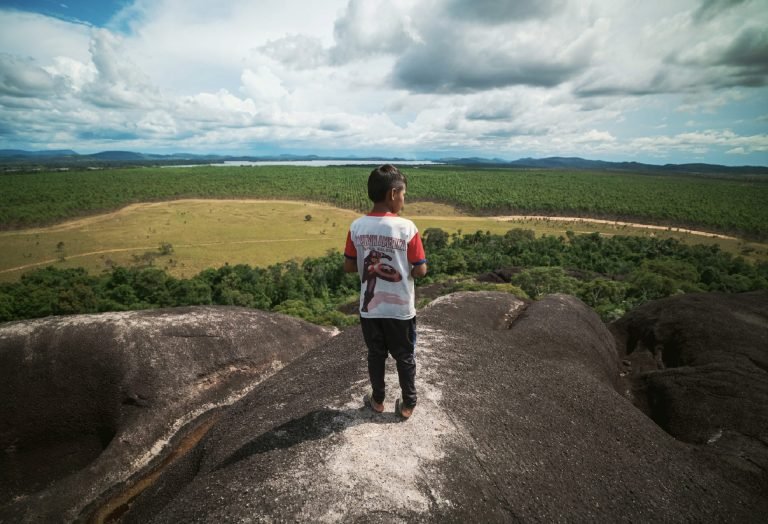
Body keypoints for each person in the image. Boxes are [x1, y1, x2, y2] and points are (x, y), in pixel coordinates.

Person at [344, 164, 427, 419]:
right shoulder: (407, 228)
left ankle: (378, 399)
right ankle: (408, 404)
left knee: (376, 354)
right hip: (400, 309)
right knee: (404, 355)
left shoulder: (356, 227)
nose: (403, 199)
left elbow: (348, 266)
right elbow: (420, 270)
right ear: (393, 194)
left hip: (370, 310)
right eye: (403, 194)